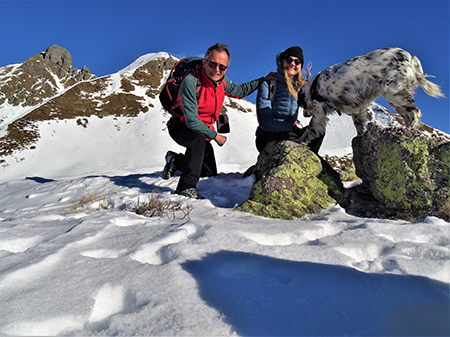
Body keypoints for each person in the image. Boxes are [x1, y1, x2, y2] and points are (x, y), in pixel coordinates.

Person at [163, 42, 276, 199]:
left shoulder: (222, 82)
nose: (217, 70)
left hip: (202, 131)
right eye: (213, 64)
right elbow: (191, 122)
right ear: (204, 62)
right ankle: (185, 187)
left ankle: (176, 161)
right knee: (197, 140)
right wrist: (215, 136)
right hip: (180, 126)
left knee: (207, 172)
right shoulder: (191, 81)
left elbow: (240, 90)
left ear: (226, 69)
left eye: (221, 67)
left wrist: (262, 80)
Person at [254, 46, 324, 154]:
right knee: (293, 138)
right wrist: (292, 127)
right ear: (282, 61)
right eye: (289, 60)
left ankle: (309, 165)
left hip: (290, 131)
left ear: (300, 66)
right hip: (266, 136)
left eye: (297, 61)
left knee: (318, 131)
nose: (293, 64)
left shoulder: (300, 88)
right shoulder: (269, 84)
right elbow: (265, 122)